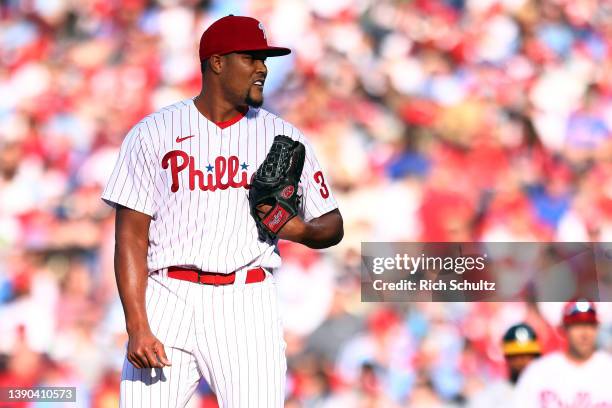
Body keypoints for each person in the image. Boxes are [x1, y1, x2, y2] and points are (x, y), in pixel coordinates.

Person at [101, 15, 343, 408]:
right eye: (251, 58)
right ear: (217, 62)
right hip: (168, 294)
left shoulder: (281, 136)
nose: (263, 68)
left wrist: (296, 229)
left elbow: (332, 223)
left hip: (246, 300)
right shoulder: (154, 132)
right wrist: (137, 324)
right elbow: (129, 236)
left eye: (264, 59)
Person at [515, 300, 612, 407]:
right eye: (577, 325)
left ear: (597, 328)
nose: (585, 333)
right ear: (564, 328)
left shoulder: (608, 369)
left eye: (590, 325)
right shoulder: (539, 372)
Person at [468, 323, 541, 408]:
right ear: (507, 358)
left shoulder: (551, 389)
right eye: (516, 356)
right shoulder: (493, 396)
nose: (522, 361)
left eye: (528, 355)